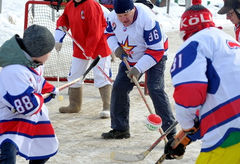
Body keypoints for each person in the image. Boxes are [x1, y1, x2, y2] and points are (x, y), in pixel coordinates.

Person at [163, 0, 240, 163]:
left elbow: (189, 91)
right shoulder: (229, 41)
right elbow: (219, 96)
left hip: (229, 136)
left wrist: (186, 127)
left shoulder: (192, 45)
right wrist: (183, 139)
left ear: (184, 29)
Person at [101, 0, 176, 139]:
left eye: (126, 14)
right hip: (130, 56)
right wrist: (116, 48)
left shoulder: (147, 19)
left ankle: (170, 132)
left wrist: (138, 68)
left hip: (155, 55)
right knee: (119, 88)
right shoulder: (112, 17)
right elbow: (108, 34)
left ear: (133, 9)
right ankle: (120, 128)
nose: (123, 19)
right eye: (120, 16)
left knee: (155, 88)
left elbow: (156, 50)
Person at [0, 24, 58, 164]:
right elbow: (28, 106)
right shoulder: (14, 71)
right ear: (39, 52)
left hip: (30, 118)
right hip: (9, 119)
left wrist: (50, 89)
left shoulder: (32, 62)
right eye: (49, 52)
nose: (50, 55)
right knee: (8, 154)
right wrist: (39, 98)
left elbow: (37, 81)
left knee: (44, 147)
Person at [54, 0, 112, 118]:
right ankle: (74, 105)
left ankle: (108, 106)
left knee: (101, 75)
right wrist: (62, 27)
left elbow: (95, 30)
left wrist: (89, 50)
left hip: (98, 46)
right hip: (80, 46)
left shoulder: (91, 5)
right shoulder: (70, 5)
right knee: (74, 75)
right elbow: (65, 17)